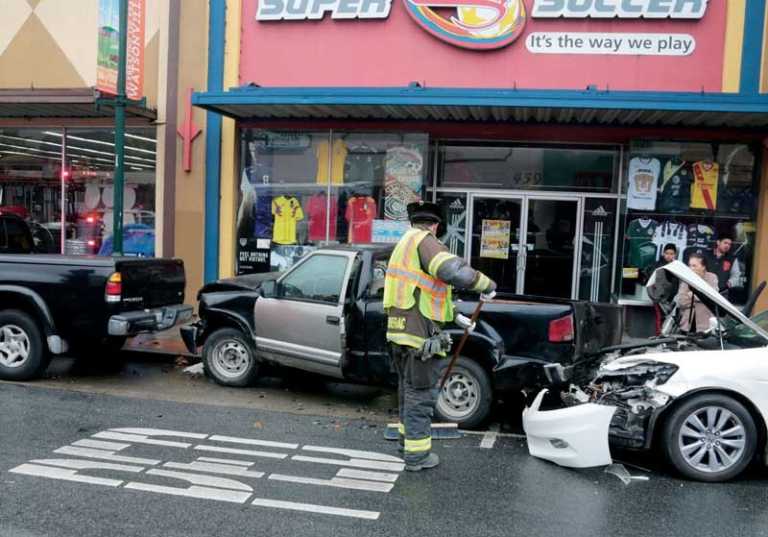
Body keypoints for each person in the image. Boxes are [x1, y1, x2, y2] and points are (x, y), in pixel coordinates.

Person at [384, 201, 496, 472]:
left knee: (408, 393)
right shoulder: (426, 241)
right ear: (434, 225)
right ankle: (417, 456)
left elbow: (425, 289)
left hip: (400, 332)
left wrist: (455, 315)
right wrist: (485, 283)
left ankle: (405, 445)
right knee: (420, 397)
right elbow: (451, 271)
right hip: (420, 336)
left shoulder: (405, 244)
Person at [676, 252, 719, 333]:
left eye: (694, 266)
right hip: (687, 325)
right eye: (690, 265)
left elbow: (712, 298)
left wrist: (693, 296)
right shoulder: (686, 279)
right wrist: (702, 299)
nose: (691, 268)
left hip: (706, 326)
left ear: (703, 267)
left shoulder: (712, 277)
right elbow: (681, 301)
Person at [647, 243, 680, 334]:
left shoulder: (676, 266)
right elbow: (651, 283)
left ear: (675, 254)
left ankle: (663, 337)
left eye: (671, 254)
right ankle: (659, 337)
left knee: (667, 319)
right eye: (667, 253)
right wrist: (656, 297)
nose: (669, 256)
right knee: (660, 318)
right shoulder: (658, 266)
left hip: (671, 299)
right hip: (659, 299)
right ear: (663, 253)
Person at [704, 233, 742, 298]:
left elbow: (736, 275)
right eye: (725, 243)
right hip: (705, 290)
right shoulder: (706, 255)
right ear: (718, 242)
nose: (727, 246)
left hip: (722, 294)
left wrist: (728, 284)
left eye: (729, 244)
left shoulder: (731, 258)